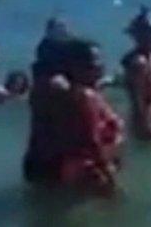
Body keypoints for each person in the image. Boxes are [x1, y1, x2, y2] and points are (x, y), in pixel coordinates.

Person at [24, 38, 124, 196]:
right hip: (74, 168)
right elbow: (92, 141)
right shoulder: (83, 96)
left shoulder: (54, 92)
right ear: (75, 67)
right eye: (93, 63)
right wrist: (111, 180)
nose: (100, 66)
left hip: (46, 167)